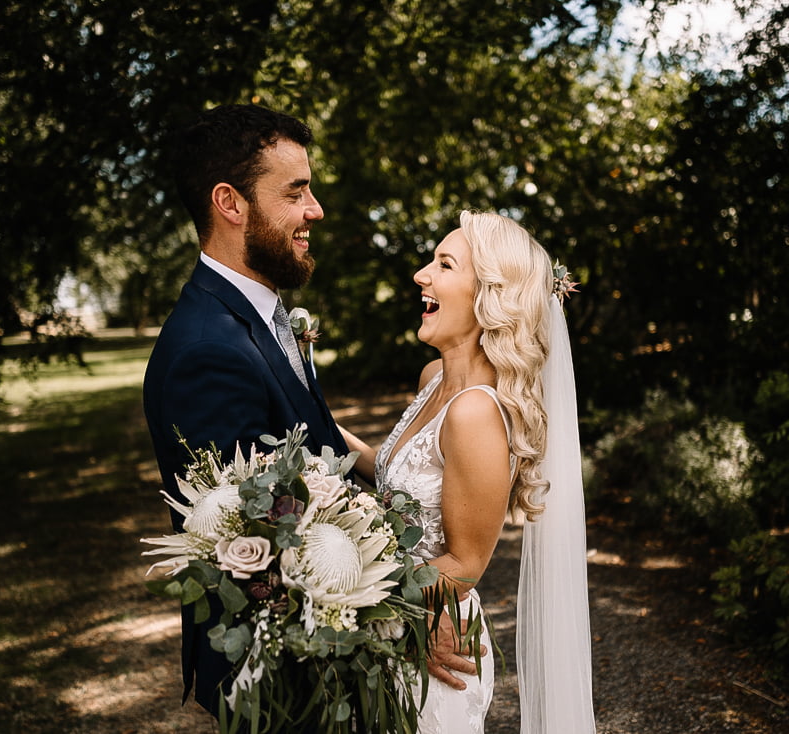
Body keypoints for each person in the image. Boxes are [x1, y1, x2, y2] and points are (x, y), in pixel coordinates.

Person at [142, 103, 478, 720]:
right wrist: (403, 617)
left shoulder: (259, 318)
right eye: (295, 192)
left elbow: (310, 455)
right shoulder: (207, 352)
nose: (316, 210)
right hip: (289, 677)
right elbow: (258, 545)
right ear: (230, 203)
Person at [340, 210, 597, 733]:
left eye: (444, 264)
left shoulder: (476, 411)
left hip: (433, 648)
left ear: (489, 297)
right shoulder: (433, 378)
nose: (421, 275)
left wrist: (344, 587)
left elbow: (465, 564)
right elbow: (395, 474)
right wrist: (309, 417)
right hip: (395, 629)